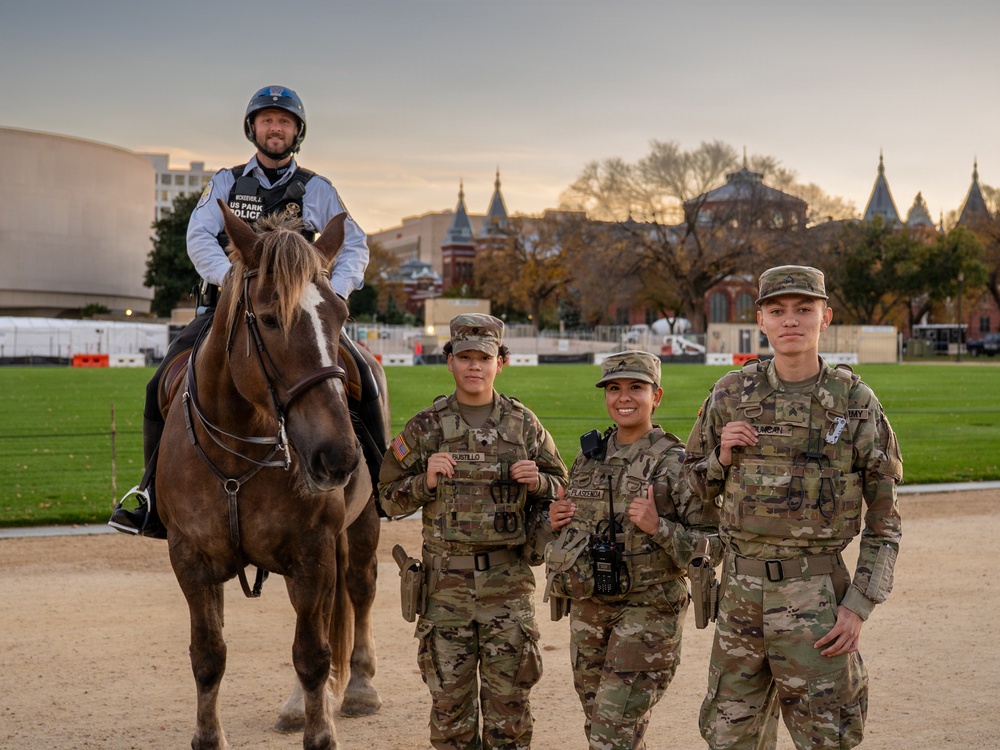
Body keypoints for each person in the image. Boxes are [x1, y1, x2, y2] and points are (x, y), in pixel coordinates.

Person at [110, 85, 384, 537]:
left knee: (364, 374)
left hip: (299, 314)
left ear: (297, 132)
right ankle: (149, 498)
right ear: (252, 128)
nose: (275, 128)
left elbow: (353, 242)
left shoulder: (317, 188)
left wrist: (329, 291)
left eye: (284, 121)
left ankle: (380, 479)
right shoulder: (225, 181)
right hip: (226, 307)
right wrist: (232, 280)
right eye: (267, 120)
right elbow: (199, 237)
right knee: (159, 382)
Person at [684, 265, 903, 750]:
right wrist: (719, 457)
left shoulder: (855, 403)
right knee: (730, 739)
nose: (791, 321)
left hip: (818, 599)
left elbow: (886, 521)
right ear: (760, 319)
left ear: (825, 317)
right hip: (740, 598)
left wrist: (859, 606)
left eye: (804, 310)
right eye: (777, 310)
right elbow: (690, 491)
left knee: (828, 738)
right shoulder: (729, 394)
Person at [377, 313, 568, 750]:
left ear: (500, 362)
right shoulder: (426, 427)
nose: (474, 366)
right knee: (450, 716)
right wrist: (423, 482)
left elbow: (563, 491)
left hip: (509, 587)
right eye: (464, 356)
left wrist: (539, 482)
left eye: (484, 357)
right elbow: (385, 498)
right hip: (445, 591)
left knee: (510, 716)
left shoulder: (524, 425)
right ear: (450, 361)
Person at [544, 350, 721, 750]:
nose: (624, 397)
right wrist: (557, 520)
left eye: (636, 388)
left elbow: (714, 546)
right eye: (614, 388)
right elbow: (572, 531)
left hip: (648, 610)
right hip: (590, 608)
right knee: (602, 728)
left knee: (611, 733)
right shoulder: (589, 458)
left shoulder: (677, 464)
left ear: (656, 396)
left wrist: (658, 527)